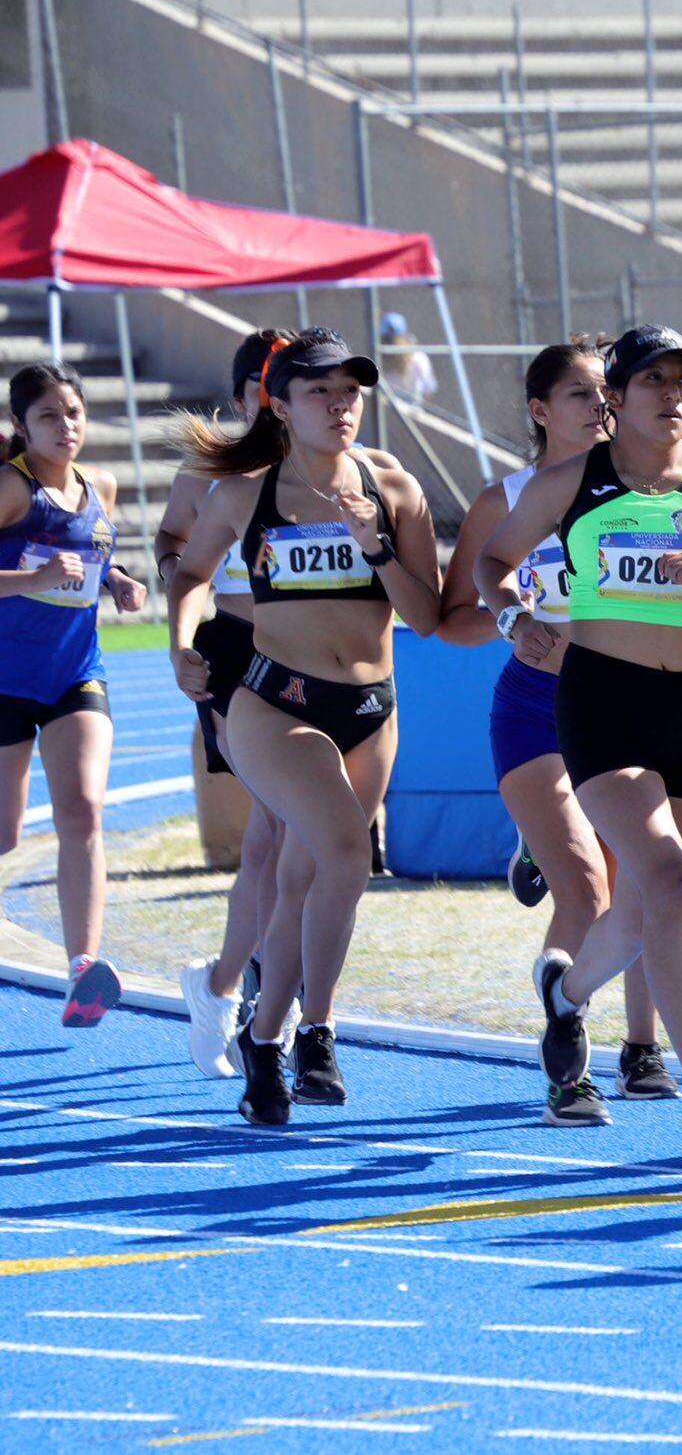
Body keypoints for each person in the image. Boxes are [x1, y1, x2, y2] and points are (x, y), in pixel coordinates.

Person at [474, 326, 682, 1147]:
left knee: (646, 901)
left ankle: (568, 996)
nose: (671, 395)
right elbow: (492, 563)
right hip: (602, 702)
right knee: (664, 875)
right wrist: (515, 617)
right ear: (615, 398)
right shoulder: (568, 483)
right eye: (652, 381)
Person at [167, 330, 442, 1126]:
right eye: (319, 392)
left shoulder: (393, 485)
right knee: (346, 850)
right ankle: (314, 1030)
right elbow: (187, 571)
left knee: (301, 878)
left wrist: (377, 545)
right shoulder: (245, 491)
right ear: (280, 406)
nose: (339, 406)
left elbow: (423, 614)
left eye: (350, 391)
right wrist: (181, 644)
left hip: (368, 709)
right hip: (272, 702)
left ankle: (265, 1038)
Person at [439, 339, 646, 1116]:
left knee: (642, 883)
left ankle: (643, 1044)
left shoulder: (641, 489)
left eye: (608, 393)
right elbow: (451, 614)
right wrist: (510, 620)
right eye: (581, 394)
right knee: (587, 888)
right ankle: (570, 1064)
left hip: (624, 707)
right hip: (535, 708)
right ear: (539, 410)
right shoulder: (508, 500)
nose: (601, 407)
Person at [161, 328, 293, 1076]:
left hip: (311, 658)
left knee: (290, 837)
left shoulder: (332, 470)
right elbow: (176, 541)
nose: (279, 401)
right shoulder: (212, 470)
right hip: (234, 654)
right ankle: (254, 994)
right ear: (246, 395)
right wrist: (181, 577)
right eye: (267, 387)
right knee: (275, 828)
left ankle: (226, 983)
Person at [0, 363, 146, 1027]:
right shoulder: (9, 489)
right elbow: (41, 568)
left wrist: (116, 580)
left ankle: (83, 969)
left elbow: (87, 554)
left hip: (74, 674)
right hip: (5, 679)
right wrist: (25, 581)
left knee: (83, 812)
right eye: (50, 417)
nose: (66, 427)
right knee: (5, 834)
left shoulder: (100, 487)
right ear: (21, 427)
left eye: (75, 414)